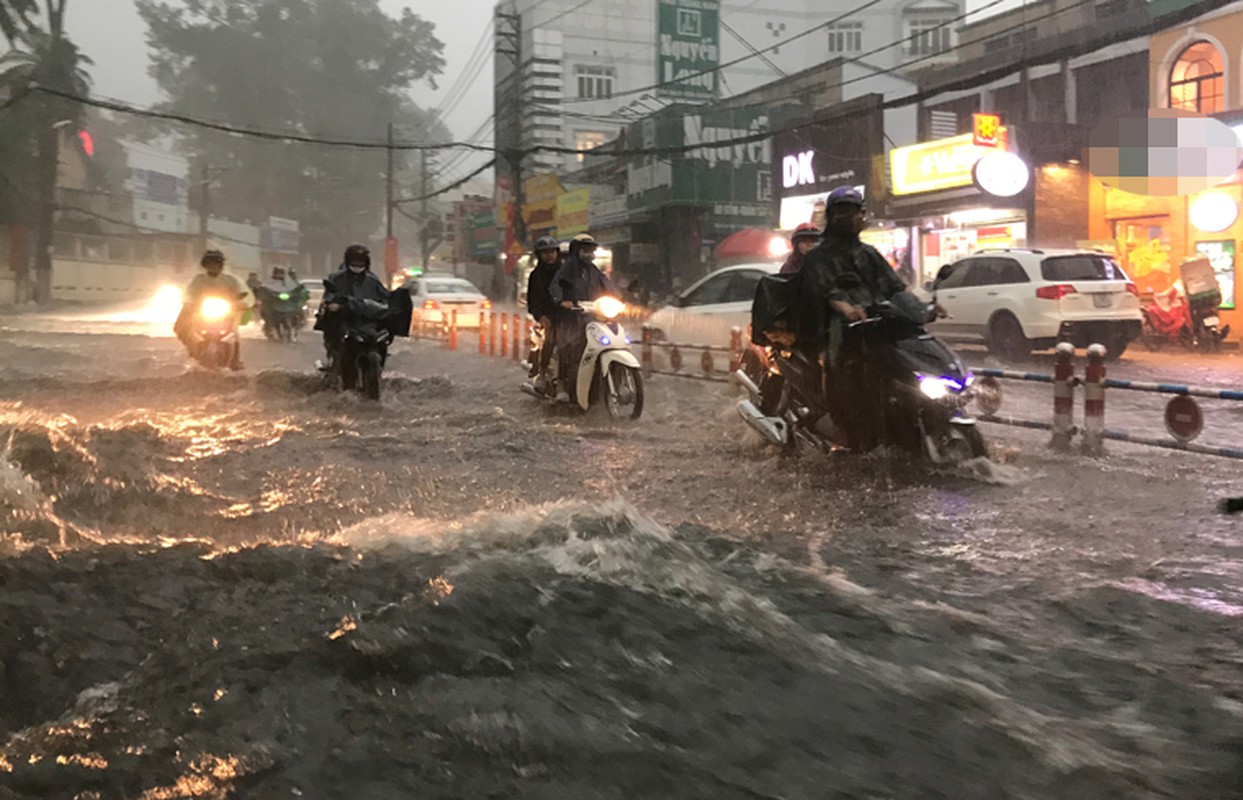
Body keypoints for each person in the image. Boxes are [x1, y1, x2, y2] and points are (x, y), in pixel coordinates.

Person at [801, 187, 908, 447]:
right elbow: (824, 291)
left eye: (854, 212)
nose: (850, 218)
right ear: (832, 216)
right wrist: (845, 308)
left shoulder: (868, 254)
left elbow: (895, 288)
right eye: (842, 213)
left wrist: (922, 308)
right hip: (830, 330)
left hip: (872, 329)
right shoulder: (819, 255)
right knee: (841, 371)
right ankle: (842, 425)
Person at [549, 233, 614, 400]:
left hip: (593, 317)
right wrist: (562, 300)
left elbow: (608, 285)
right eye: (585, 250)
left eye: (591, 250)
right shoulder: (569, 268)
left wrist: (620, 299)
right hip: (571, 318)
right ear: (577, 250)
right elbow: (556, 285)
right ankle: (562, 384)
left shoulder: (594, 270)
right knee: (568, 345)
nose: (589, 253)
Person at [316, 244, 390, 369]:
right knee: (336, 334)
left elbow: (385, 298)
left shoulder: (373, 280)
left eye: (361, 264)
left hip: (367, 320)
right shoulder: (337, 278)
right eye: (354, 263)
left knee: (383, 335)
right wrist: (333, 305)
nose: (357, 267)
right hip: (344, 319)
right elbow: (329, 297)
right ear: (347, 261)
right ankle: (336, 360)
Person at [175, 249, 248, 370]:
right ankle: (192, 349)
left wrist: (240, 304)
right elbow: (190, 293)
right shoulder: (199, 279)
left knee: (234, 333)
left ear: (221, 265)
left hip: (225, 312)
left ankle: (235, 360)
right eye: (210, 263)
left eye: (216, 263)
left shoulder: (230, 280)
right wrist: (190, 303)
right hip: (201, 311)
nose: (213, 266)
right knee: (181, 326)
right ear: (205, 265)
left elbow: (238, 295)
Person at [525, 235, 562, 390]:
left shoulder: (566, 272)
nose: (550, 255)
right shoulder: (536, 276)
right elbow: (532, 302)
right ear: (539, 255)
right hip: (550, 317)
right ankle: (543, 371)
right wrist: (541, 317)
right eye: (545, 252)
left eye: (552, 251)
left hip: (571, 315)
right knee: (552, 339)